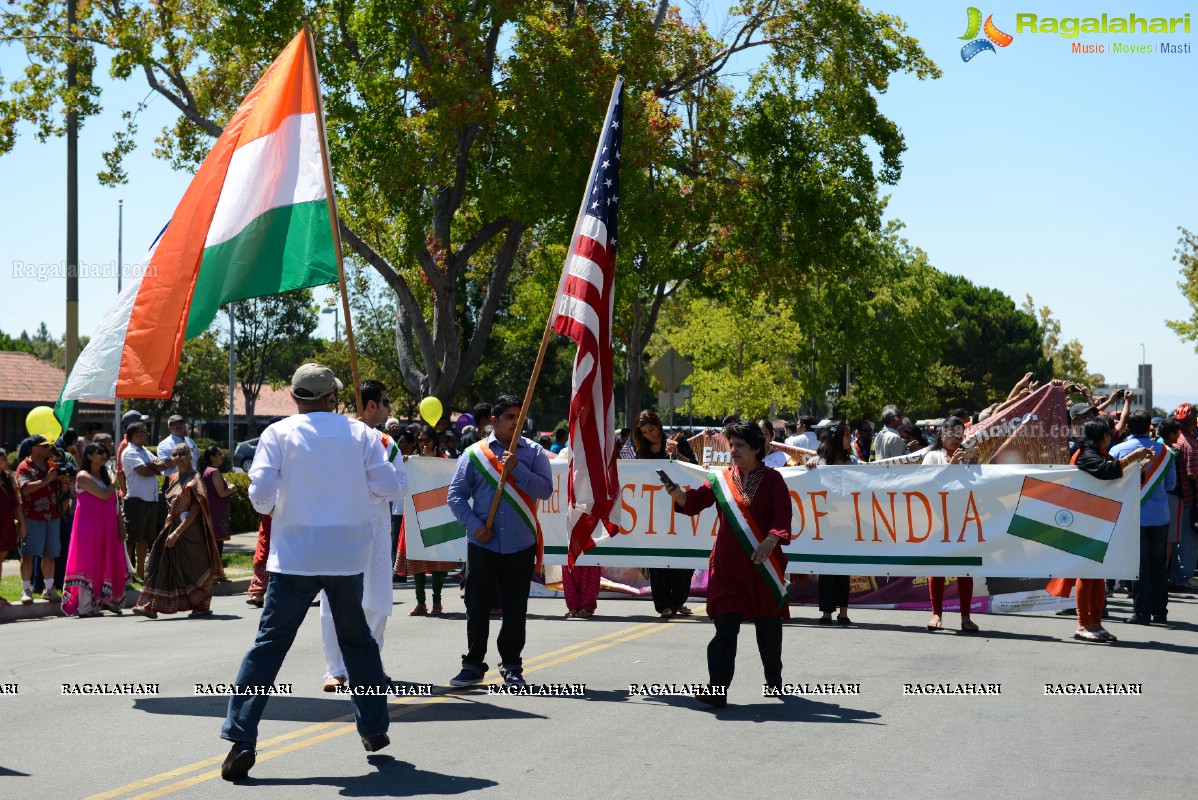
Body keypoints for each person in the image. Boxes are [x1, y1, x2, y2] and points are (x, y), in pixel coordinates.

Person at [221, 364, 401, 781]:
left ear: (295, 397)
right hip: (345, 555)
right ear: (331, 398)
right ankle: (373, 728)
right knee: (358, 644)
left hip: (295, 556)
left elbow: (261, 498)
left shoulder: (277, 435)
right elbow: (389, 487)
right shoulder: (362, 435)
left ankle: (242, 736)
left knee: (268, 646)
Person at [665, 419, 792, 707]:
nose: (733, 450)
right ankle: (717, 689)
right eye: (731, 445)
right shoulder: (721, 479)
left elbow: (782, 518)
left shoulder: (773, 480)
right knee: (725, 627)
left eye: (740, 446)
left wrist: (770, 541)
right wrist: (679, 495)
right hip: (727, 565)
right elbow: (694, 502)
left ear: (757, 448)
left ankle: (774, 679)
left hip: (763, 565)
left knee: (768, 628)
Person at [446, 394, 554, 688]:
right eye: (509, 417)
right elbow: (455, 496)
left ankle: (511, 665)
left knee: (515, 607)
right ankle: (472, 664)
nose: (515, 423)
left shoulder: (534, 453)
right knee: (477, 605)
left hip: (520, 543)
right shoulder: (473, 454)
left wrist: (517, 467)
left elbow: (545, 491)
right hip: (483, 543)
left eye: (519, 417)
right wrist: (474, 526)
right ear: (494, 421)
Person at [320, 379, 407, 691]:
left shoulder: (387, 444)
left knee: (376, 597)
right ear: (370, 405)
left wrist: (364, 486)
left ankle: (369, 662)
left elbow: (398, 486)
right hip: (338, 530)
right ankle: (336, 669)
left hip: (375, 531)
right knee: (334, 601)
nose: (389, 408)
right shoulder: (336, 436)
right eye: (385, 402)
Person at [1068, 418, 1153, 642]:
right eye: (1109, 434)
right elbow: (1107, 471)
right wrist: (1133, 457)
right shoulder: (1085, 455)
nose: (1111, 437)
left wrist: (1138, 467)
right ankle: (1082, 624)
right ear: (1103, 436)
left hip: (1098, 519)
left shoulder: (1099, 454)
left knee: (1098, 575)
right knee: (1086, 575)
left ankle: (1095, 623)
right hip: (1084, 520)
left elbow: (1117, 478)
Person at [131, 444, 221, 619]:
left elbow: (195, 511)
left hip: (191, 532)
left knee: (195, 570)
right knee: (160, 563)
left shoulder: (195, 479)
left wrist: (177, 533)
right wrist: (170, 529)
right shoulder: (172, 477)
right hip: (171, 527)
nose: (178, 457)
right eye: (175, 454)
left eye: (182, 454)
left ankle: (202, 604)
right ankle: (151, 605)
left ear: (190, 456)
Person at [630, 409, 699, 618]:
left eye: (651, 429)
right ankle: (664, 605)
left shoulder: (678, 441)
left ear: (658, 425)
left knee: (682, 557)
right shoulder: (640, 450)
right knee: (658, 559)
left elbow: (694, 468)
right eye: (644, 432)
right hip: (653, 512)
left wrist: (677, 455)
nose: (649, 435)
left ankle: (678, 600)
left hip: (678, 508)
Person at [1111, 411, 1175, 625]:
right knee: (1158, 566)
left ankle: (1141, 613)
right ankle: (1160, 613)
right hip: (1159, 516)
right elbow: (1170, 486)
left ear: (1128, 426)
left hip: (1132, 516)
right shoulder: (1166, 452)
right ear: (1150, 426)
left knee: (1140, 566)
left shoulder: (1117, 450)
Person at [921, 417, 979, 632]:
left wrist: (975, 467)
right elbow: (927, 484)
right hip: (937, 519)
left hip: (963, 518)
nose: (956, 439)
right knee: (938, 567)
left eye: (960, 434)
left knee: (965, 568)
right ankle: (936, 615)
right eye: (952, 434)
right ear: (942, 435)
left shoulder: (966, 456)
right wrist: (952, 466)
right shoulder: (933, 457)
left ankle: (966, 617)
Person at [396, 424, 456, 617]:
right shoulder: (412, 461)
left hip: (436, 514)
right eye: (420, 440)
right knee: (417, 556)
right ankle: (420, 603)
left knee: (436, 558)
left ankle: (437, 602)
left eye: (426, 440)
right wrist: (408, 463)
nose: (423, 444)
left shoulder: (443, 461)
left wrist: (430, 463)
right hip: (414, 514)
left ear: (434, 442)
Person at [62, 443, 127, 617]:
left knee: (106, 560)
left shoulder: (106, 476)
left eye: (105, 452)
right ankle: (85, 606)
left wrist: (121, 524)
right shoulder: (83, 476)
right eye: (99, 452)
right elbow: (104, 494)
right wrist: (114, 481)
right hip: (88, 527)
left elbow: (114, 502)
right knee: (88, 562)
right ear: (89, 456)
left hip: (107, 526)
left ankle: (107, 600)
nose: (103, 455)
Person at [804, 420, 857, 625]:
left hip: (847, 520)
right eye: (846, 435)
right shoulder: (818, 462)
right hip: (824, 522)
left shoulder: (853, 462)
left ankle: (843, 611)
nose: (849, 439)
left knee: (843, 567)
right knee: (825, 567)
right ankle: (827, 611)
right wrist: (808, 468)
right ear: (837, 438)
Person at [16, 434, 64, 604]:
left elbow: (58, 490)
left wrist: (63, 483)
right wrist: (46, 480)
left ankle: (49, 589)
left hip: (52, 516)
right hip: (32, 517)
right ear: (33, 448)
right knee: (28, 554)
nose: (48, 449)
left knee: (50, 554)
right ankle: (26, 590)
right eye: (44, 446)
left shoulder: (51, 465)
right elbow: (25, 489)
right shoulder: (24, 467)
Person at [120, 422, 170, 581]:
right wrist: (153, 467)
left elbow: (162, 465)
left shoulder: (145, 451)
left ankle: (140, 572)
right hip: (136, 500)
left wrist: (152, 466)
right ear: (135, 435)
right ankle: (125, 573)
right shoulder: (129, 452)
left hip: (151, 500)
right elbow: (144, 472)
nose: (147, 434)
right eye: (144, 431)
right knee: (131, 539)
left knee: (145, 538)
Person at [1168, 404, 1198, 590]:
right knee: (1189, 540)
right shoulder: (1191, 444)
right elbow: (1194, 474)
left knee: (1176, 539)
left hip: (1176, 496)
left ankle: (1177, 575)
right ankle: (1184, 577)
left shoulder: (1176, 440)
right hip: (1190, 498)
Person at [199, 446, 236, 570]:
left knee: (213, 544)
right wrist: (232, 488)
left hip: (212, 512)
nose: (222, 456)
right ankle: (215, 574)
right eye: (219, 454)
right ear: (212, 457)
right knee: (217, 544)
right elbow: (222, 493)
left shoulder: (206, 471)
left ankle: (215, 573)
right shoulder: (213, 471)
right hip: (216, 514)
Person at [0, 448, 26, 609]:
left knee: (0, 559)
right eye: (2, 458)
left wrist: (22, 524)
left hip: (7, 522)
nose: (5, 460)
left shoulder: (8, 477)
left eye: (5, 457)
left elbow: (17, 503)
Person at [157, 414, 200, 479]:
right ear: (169, 427)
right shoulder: (164, 444)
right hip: (174, 481)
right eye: (174, 424)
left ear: (184, 425)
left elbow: (196, 461)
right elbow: (165, 464)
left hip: (193, 480)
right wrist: (183, 457)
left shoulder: (190, 441)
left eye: (181, 423)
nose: (178, 426)